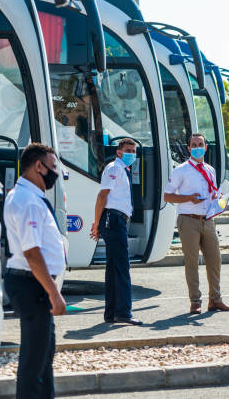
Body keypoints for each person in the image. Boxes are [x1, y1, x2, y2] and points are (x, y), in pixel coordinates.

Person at [3, 143, 66, 399]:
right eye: (52, 167)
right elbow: (32, 253)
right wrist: (54, 294)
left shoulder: (26, 195)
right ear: (38, 166)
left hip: (32, 283)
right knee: (35, 361)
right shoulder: (28, 201)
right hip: (33, 285)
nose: (55, 173)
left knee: (42, 355)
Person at [164, 133, 229, 314]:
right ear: (189, 148)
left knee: (215, 259)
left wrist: (217, 199)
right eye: (193, 144)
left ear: (205, 147)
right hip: (188, 220)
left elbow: (211, 193)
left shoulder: (210, 170)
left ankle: (215, 299)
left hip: (208, 220)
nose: (197, 147)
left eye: (200, 144)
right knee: (192, 261)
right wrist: (188, 198)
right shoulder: (181, 170)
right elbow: (167, 196)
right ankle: (195, 301)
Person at [90, 138, 142, 325]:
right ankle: (123, 313)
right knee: (122, 267)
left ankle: (111, 313)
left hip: (116, 219)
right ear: (119, 152)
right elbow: (102, 196)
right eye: (128, 150)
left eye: (134, 151)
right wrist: (96, 223)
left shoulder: (122, 169)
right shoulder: (114, 168)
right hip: (114, 219)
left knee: (113, 269)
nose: (132, 154)